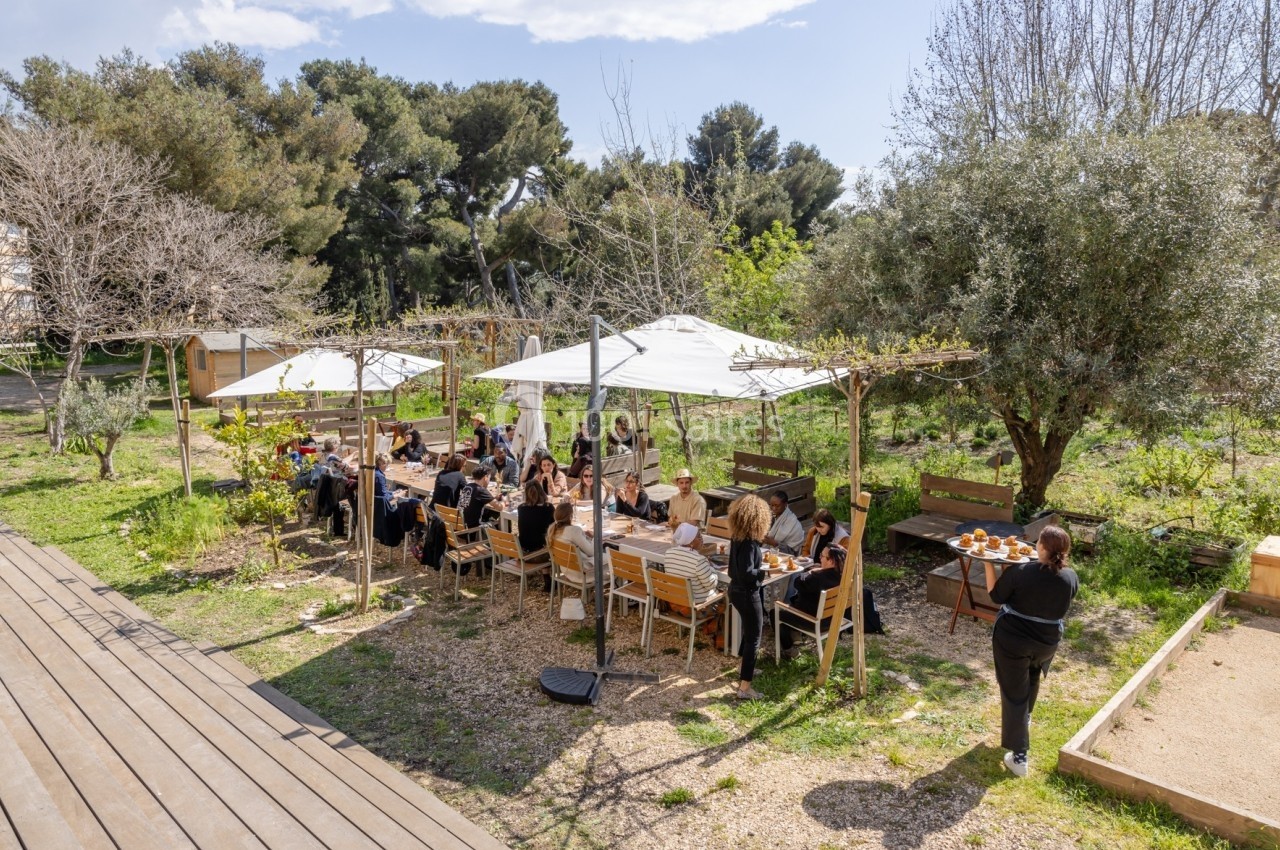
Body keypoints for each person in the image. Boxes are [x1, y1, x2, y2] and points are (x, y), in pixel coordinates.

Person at [984, 526, 1078, 778]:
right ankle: (1024, 720)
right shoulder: (1071, 577)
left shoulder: (1021, 572)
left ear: (1043, 549)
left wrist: (987, 563)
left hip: (1014, 641)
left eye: (1039, 543)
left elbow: (995, 595)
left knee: (1014, 693)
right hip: (1047, 643)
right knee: (1032, 677)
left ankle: (1019, 757)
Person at [727, 494, 770, 700]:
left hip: (734, 591)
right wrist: (763, 572)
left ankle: (744, 667)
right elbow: (747, 573)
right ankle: (745, 688)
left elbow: (731, 571)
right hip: (747, 593)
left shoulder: (736, 538)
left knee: (748, 630)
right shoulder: (751, 544)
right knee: (754, 638)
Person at [779, 544, 847, 657]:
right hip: (836, 619)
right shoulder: (843, 576)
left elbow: (797, 582)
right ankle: (796, 636)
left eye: (822, 556)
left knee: (776, 612)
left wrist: (810, 572)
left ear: (831, 561)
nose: (820, 558)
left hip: (816, 622)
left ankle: (789, 650)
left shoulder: (817, 578)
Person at [664, 523, 720, 605]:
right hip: (698, 608)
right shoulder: (698, 560)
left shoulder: (669, 553)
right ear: (691, 542)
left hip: (674, 603)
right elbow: (711, 584)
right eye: (699, 537)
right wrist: (712, 569)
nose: (702, 539)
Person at [517, 481, 555, 589]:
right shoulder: (548, 508)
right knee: (550, 543)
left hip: (522, 553)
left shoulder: (521, 508)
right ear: (542, 492)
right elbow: (555, 528)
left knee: (540, 540)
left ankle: (547, 577)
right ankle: (548, 576)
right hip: (540, 555)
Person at [546, 501, 594, 570]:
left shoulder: (551, 530)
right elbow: (592, 552)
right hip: (583, 573)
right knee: (610, 558)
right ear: (571, 516)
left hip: (566, 569)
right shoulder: (573, 530)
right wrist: (594, 538)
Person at [458, 465, 504, 530]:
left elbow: (475, 500)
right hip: (473, 530)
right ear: (485, 477)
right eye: (489, 478)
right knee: (497, 520)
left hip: (461, 526)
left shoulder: (468, 486)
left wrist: (493, 498)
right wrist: (504, 501)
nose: (489, 481)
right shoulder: (480, 490)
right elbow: (500, 507)